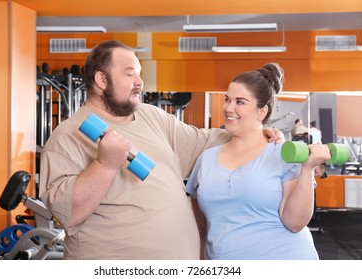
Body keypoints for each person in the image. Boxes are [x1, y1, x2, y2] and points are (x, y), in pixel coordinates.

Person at [39, 40, 283, 260]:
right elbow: (68, 214)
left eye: (139, 73)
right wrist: (105, 165)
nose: (139, 82)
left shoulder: (150, 115)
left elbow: (203, 142)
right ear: (102, 80)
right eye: (129, 73)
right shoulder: (67, 137)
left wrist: (255, 133)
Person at [186, 63, 331, 260]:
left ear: (262, 112)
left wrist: (307, 169)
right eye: (227, 99)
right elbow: (201, 227)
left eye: (240, 102)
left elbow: (295, 222)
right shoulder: (206, 159)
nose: (228, 107)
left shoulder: (282, 153)